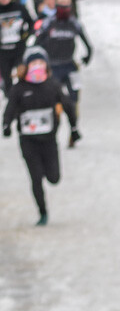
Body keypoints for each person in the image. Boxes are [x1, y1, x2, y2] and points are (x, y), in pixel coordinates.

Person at [2, 46, 77, 226]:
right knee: (35, 178)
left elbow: (68, 105)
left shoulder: (52, 85)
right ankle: (42, 212)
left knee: (54, 178)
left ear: (46, 65)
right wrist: (6, 125)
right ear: (26, 66)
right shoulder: (19, 88)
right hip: (28, 141)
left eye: (41, 62)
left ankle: (46, 170)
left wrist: (74, 127)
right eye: (33, 62)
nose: (37, 65)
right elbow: (10, 108)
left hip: (49, 140)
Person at [33, 0, 92, 146]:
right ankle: (51, 132)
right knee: (53, 101)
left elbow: (88, 44)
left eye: (67, 4)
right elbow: (36, 44)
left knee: (74, 100)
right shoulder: (49, 23)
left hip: (70, 65)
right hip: (53, 67)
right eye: (61, 4)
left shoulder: (74, 23)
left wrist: (87, 56)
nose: (64, 8)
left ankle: (73, 129)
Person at [0, 0, 33, 98]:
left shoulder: (19, 7)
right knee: (7, 79)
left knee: (22, 75)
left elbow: (31, 23)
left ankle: (23, 99)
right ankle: (11, 101)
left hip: (19, 49)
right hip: (3, 52)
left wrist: (26, 35)